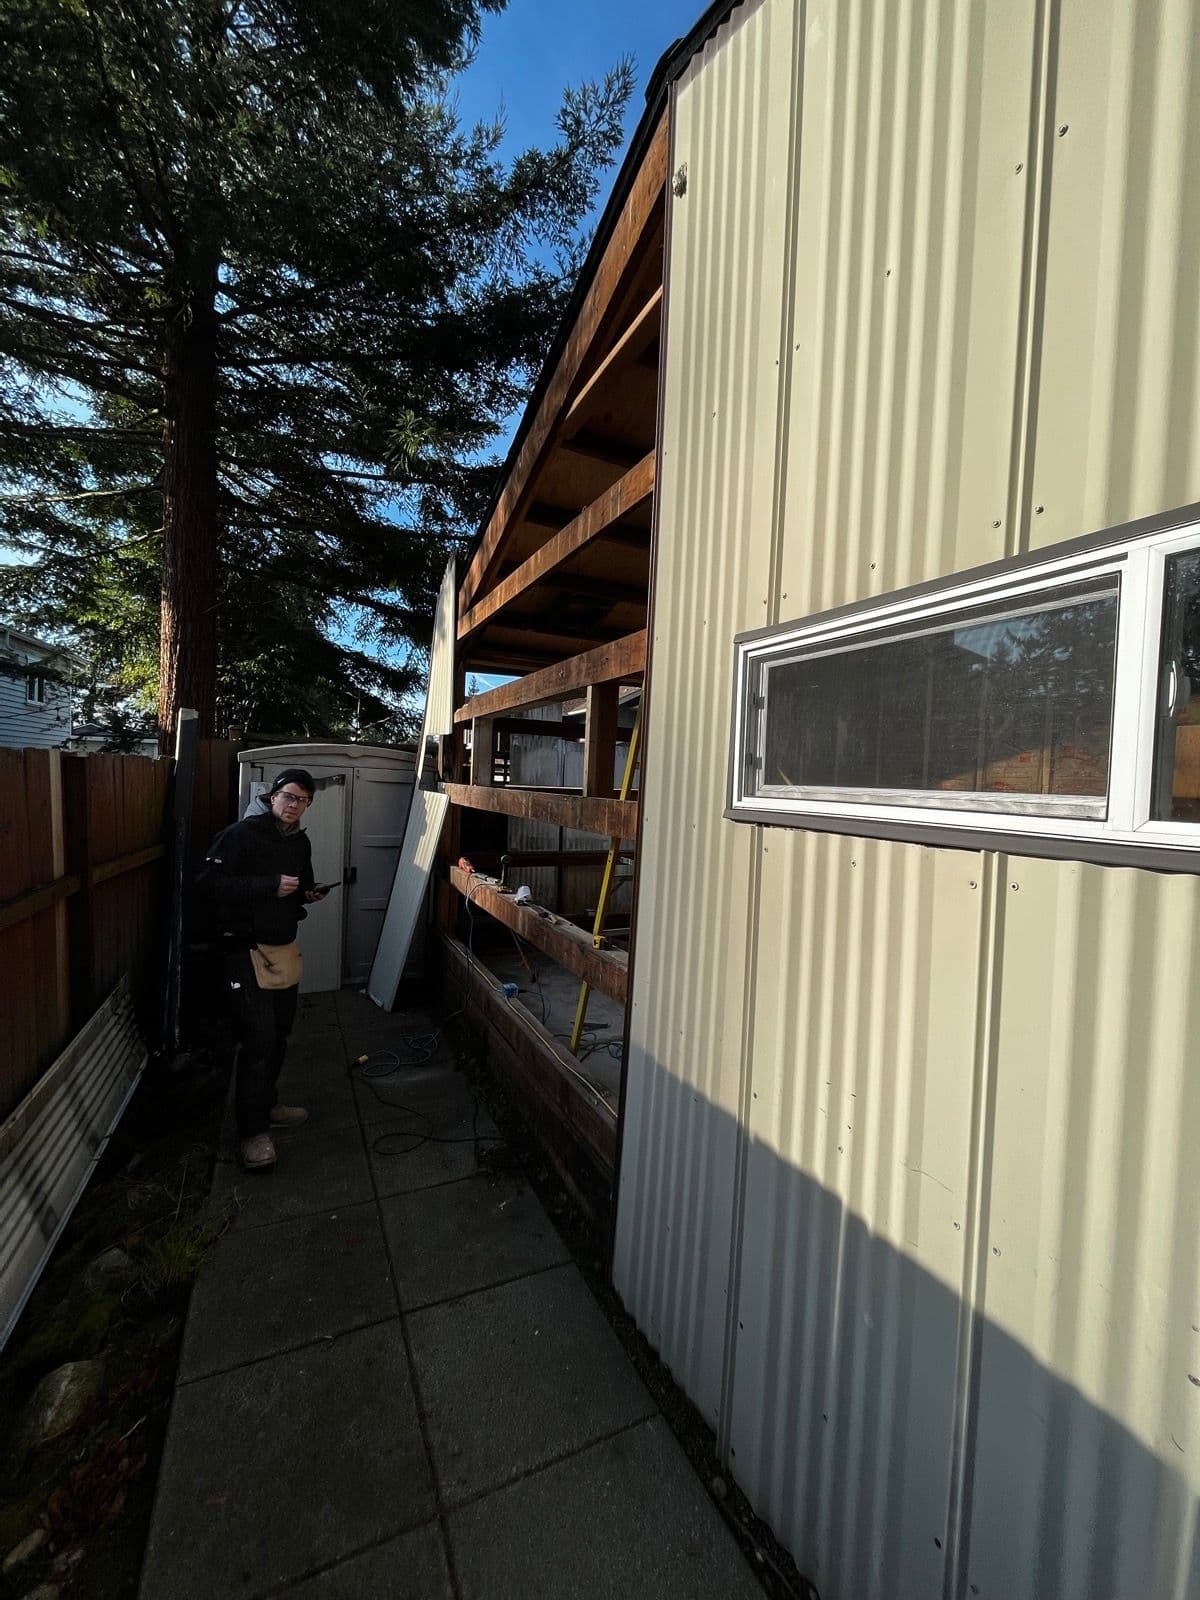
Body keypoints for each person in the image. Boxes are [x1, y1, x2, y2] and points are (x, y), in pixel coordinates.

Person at [198, 768, 330, 1170]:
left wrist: (307, 894)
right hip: (242, 949)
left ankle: (267, 1106)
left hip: (282, 948)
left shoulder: (298, 842)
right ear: (272, 796)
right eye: (288, 796)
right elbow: (206, 884)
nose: (294, 805)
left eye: (302, 800)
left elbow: (297, 887)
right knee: (258, 1039)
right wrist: (268, 885)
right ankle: (252, 1134)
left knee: (281, 1032)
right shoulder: (241, 834)